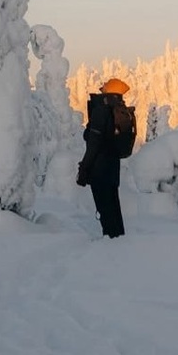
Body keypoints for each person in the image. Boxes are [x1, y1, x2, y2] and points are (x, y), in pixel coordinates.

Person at [76, 77, 131, 238]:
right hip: (112, 169)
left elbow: (94, 144)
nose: (102, 88)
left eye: (105, 87)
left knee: (105, 209)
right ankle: (118, 240)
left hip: (99, 170)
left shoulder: (101, 111)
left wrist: (84, 168)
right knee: (113, 207)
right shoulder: (119, 110)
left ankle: (110, 242)